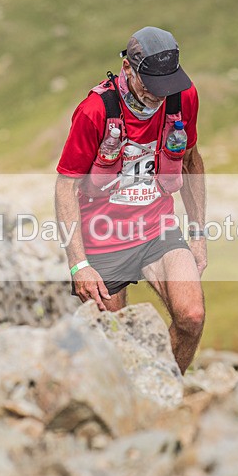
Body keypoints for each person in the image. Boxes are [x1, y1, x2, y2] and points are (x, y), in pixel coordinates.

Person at [55, 26, 207, 374]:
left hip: (157, 228)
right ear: (128, 69)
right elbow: (65, 186)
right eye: (152, 85)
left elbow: (190, 161)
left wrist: (198, 236)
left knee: (192, 317)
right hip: (103, 237)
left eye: (168, 84)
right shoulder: (94, 111)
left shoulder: (183, 97)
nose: (159, 96)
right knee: (116, 345)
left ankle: (165, 390)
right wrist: (78, 264)